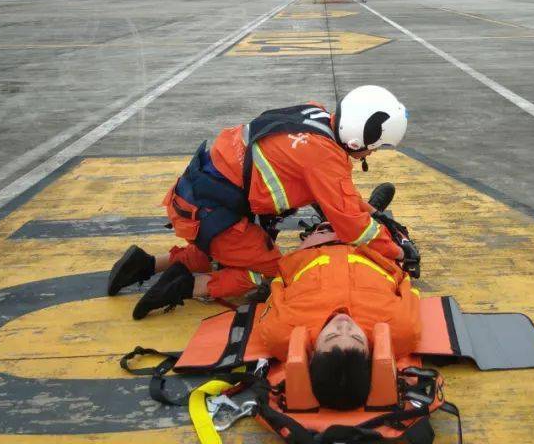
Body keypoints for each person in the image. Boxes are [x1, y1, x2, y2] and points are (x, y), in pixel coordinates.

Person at [107, 85, 414, 320]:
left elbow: (338, 196)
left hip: (197, 200)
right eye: (373, 148)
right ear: (360, 139)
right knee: (273, 269)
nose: (370, 154)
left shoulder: (314, 114)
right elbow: (352, 225)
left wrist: (374, 213)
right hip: (214, 214)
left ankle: (146, 264)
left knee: (224, 252)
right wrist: (396, 249)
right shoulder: (324, 158)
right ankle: (186, 286)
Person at [254, 209, 421, 409]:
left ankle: (336, 211)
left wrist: (302, 253)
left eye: (331, 336)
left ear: (313, 354)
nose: (344, 326)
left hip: (316, 248)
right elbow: (405, 283)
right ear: (370, 353)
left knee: (330, 218)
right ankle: (366, 210)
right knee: (359, 216)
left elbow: (279, 284)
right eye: (357, 337)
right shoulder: (401, 326)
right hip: (370, 248)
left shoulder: (282, 328)